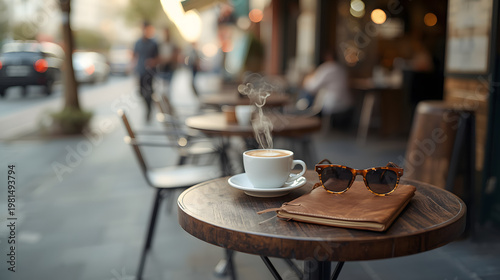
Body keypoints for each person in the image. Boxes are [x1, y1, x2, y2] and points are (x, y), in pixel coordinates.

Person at [301, 50, 352, 116]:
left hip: (333, 104)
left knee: (306, 95)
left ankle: (302, 116)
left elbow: (312, 88)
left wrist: (306, 79)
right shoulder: (342, 69)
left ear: (327, 57)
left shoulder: (327, 68)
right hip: (346, 103)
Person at [132, 21, 159, 123]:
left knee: (149, 92)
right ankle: (148, 108)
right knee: (140, 92)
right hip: (140, 71)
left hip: (150, 73)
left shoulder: (154, 43)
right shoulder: (138, 42)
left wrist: (153, 62)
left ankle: (149, 110)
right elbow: (135, 55)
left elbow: (158, 58)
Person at [157, 27, 179, 99]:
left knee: (168, 88)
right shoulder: (160, 44)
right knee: (162, 88)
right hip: (162, 68)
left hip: (170, 68)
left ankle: (167, 102)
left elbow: (175, 56)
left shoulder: (173, 44)